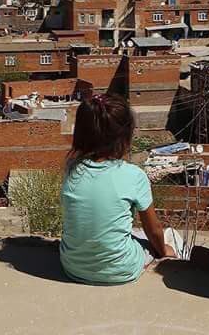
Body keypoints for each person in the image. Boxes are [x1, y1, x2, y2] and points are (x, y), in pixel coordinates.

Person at [59, 93, 183, 284]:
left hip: (72, 266)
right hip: (120, 270)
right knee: (172, 238)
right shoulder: (133, 175)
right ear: (124, 136)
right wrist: (165, 251)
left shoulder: (71, 169)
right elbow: (154, 230)